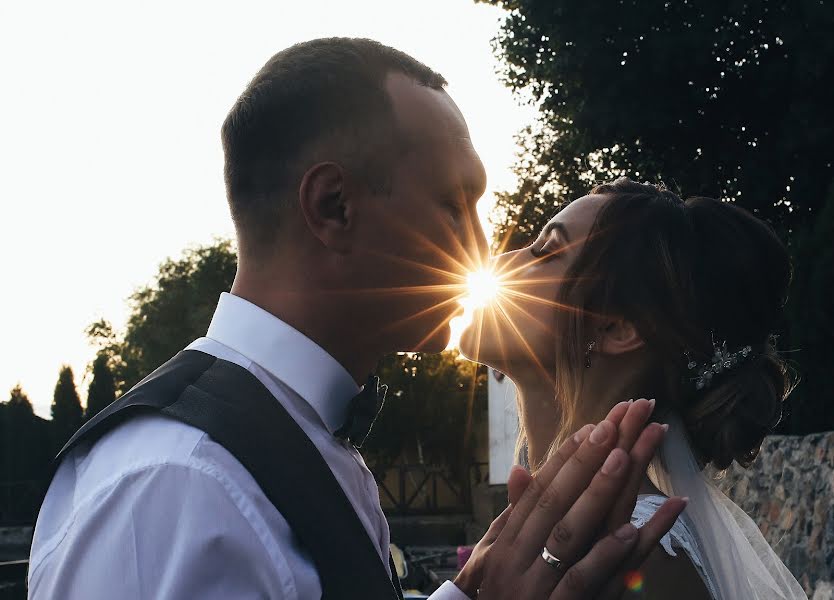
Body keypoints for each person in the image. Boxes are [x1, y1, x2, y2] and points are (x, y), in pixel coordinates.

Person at [27, 40, 685, 599]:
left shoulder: (297, 443)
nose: (484, 251)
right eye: (455, 207)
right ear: (334, 206)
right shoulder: (178, 487)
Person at [460, 177, 809, 599]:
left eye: (545, 251)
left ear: (617, 328)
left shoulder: (642, 559)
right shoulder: (556, 535)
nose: (502, 262)